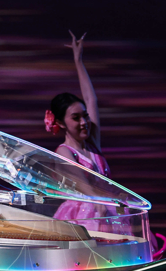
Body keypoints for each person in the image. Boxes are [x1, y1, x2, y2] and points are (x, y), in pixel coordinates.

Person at [48, 32, 123, 231]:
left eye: (85, 116)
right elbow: (79, 179)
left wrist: (78, 60)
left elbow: (91, 100)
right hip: (83, 214)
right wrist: (96, 198)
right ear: (60, 123)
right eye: (76, 118)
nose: (84, 122)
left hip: (106, 210)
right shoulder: (64, 151)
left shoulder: (92, 144)